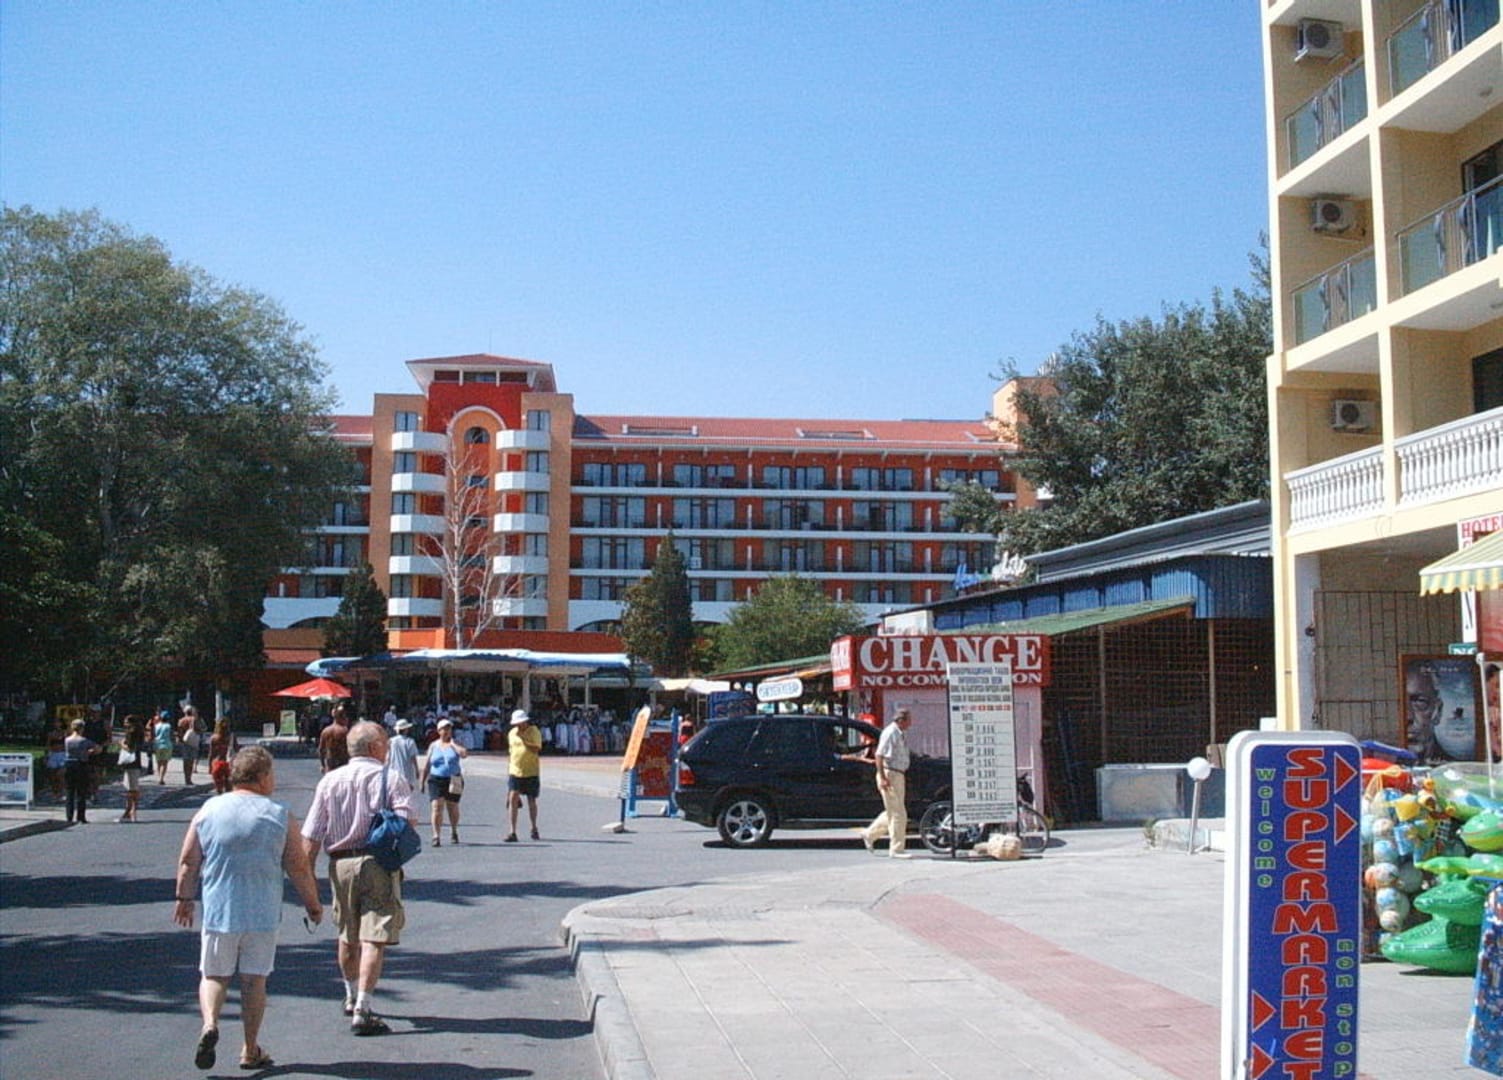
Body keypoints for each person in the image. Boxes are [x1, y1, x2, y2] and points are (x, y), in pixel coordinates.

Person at [174, 746, 323, 1071]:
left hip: (220, 909)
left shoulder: (209, 810)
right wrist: (313, 904)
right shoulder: (279, 814)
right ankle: (250, 1048)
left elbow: (188, 860)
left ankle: (210, 1024)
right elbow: (298, 866)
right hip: (262, 912)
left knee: (214, 975)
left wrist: (184, 899)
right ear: (263, 776)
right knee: (255, 981)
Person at [301, 722, 412, 1036]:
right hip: (377, 862)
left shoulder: (329, 781)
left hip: (340, 863)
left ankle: (350, 995)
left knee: (347, 933)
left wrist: (307, 884)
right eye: (385, 744)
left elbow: (311, 835)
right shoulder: (391, 778)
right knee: (374, 934)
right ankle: (364, 1006)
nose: (387, 749)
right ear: (375, 747)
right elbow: (407, 821)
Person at [861, 708, 914, 858]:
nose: (910, 723)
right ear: (901, 720)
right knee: (899, 814)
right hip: (890, 774)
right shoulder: (890, 733)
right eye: (909, 720)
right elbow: (879, 755)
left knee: (893, 810)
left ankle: (869, 834)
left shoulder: (899, 733)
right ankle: (896, 849)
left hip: (898, 774)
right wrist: (883, 777)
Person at [419, 718, 467, 846]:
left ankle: (454, 830)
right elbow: (427, 764)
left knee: (452, 806)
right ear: (439, 731)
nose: (447, 731)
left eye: (449, 729)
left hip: (453, 778)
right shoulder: (433, 745)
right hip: (436, 778)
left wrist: (453, 744)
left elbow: (464, 754)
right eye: (444, 729)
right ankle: (436, 835)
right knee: (436, 806)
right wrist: (422, 781)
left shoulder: (456, 743)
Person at [506, 709, 542, 843]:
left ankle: (534, 827)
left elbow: (537, 748)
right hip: (515, 770)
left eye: (520, 723)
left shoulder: (534, 731)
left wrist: (524, 740)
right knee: (513, 798)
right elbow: (511, 752)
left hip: (531, 771)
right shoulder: (512, 733)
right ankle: (512, 831)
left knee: (531, 800)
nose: (518, 726)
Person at [62, 718, 100, 824]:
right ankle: (81, 816)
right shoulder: (84, 741)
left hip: (69, 764)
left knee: (69, 791)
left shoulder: (67, 740)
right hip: (81, 764)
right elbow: (97, 748)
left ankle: (69, 816)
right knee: (81, 791)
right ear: (82, 728)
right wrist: (90, 752)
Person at [117, 716, 149, 822]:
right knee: (131, 788)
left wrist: (121, 744)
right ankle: (129, 810)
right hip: (135, 762)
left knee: (132, 788)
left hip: (131, 763)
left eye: (126, 722)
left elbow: (130, 749)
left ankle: (132, 811)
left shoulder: (132, 734)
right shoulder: (138, 733)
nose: (124, 724)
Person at [387, 719, 420, 790]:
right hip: (407, 773)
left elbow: (387, 757)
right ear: (406, 730)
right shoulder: (410, 741)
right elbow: (413, 758)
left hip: (393, 772)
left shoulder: (391, 741)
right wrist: (417, 770)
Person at [319, 704, 351, 774]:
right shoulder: (345, 731)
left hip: (330, 763)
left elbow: (321, 749)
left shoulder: (326, 731)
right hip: (343, 763)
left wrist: (322, 764)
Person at [208, 719, 237, 795]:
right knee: (229, 786)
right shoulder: (231, 737)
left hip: (217, 763)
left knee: (218, 786)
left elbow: (211, 754)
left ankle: (220, 795)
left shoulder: (214, 738)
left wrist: (209, 766)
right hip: (229, 763)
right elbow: (237, 750)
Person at [179, 705, 205, 785]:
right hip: (193, 742)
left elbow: (179, 731)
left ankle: (186, 778)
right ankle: (189, 778)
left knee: (185, 760)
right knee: (191, 760)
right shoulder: (194, 719)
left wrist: (181, 739)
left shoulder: (181, 720)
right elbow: (199, 729)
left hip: (184, 741)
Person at [44, 719, 67, 798]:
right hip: (54, 754)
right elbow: (48, 745)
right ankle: (55, 791)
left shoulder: (65, 733)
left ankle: (62, 791)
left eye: (59, 723)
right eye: (55, 723)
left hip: (62, 754)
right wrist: (47, 756)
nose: (57, 724)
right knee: (52, 775)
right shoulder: (51, 734)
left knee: (60, 774)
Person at [153, 709, 176, 785]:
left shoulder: (156, 726)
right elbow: (172, 736)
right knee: (164, 763)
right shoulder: (169, 726)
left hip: (157, 744)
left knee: (159, 762)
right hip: (167, 745)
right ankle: (161, 778)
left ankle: (159, 777)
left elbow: (154, 735)